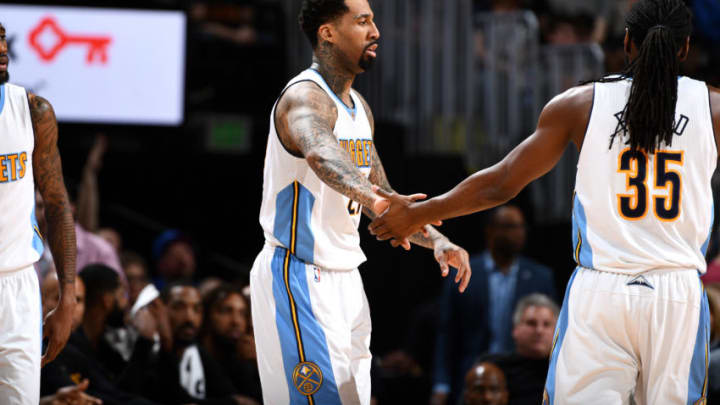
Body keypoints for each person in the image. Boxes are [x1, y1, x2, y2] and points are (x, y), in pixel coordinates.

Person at [369, 0, 717, 403]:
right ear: (686, 48)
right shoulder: (714, 109)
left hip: (601, 291)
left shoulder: (579, 105)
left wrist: (416, 213)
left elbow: (500, 184)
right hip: (676, 296)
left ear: (626, 43)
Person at [250, 1, 471, 404]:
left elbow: (383, 193)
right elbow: (321, 154)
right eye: (363, 21)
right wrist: (380, 202)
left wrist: (435, 239)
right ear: (328, 32)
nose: (376, 31)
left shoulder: (359, 109)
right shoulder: (303, 97)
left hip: (347, 277)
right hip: (299, 272)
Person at [0, 21, 77, 405]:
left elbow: (58, 202)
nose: (2, 49)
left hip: (18, 288)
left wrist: (68, 296)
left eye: (2, 37)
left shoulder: (32, 110)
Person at [432, 206, 555, 405]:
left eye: (520, 227)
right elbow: (447, 332)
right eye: (509, 227)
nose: (517, 233)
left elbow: (553, 334)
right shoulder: (462, 271)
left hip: (525, 376)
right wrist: (441, 383)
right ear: (490, 230)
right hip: (474, 374)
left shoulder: (540, 277)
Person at [480, 294, 559, 405]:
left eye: (546, 324)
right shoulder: (492, 367)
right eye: (531, 323)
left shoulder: (563, 372)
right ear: (515, 329)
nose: (539, 330)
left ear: (557, 331)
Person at [201, 284, 262, 403]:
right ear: (207, 315)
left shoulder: (246, 361)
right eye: (226, 311)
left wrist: (258, 364)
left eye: (242, 313)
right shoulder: (194, 354)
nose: (236, 321)